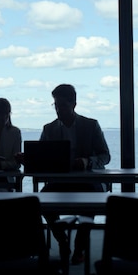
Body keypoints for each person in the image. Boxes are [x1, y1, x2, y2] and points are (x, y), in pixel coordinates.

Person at [40, 84, 111, 264]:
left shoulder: (91, 125)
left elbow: (105, 155)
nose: (58, 110)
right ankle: (63, 240)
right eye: (55, 105)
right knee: (40, 202)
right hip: (60, 181)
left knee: (92, 200)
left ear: (74, 104)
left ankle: (79, 247)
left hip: (86, 180)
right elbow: (41, 157)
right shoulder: (49, 129)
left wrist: (86, 162)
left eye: (62, 105)